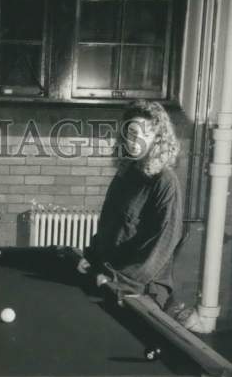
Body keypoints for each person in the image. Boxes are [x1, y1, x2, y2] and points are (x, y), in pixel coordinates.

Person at [78, 100, 185, 314]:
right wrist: (92, 257)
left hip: (142, 289)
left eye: (145, 134)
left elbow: (162, 244)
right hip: (110, 276)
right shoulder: (126, 172)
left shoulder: (165, 181)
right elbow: (109, 226)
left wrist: (119, 280)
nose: (136, 141)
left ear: (158, 138)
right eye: (132, 133)